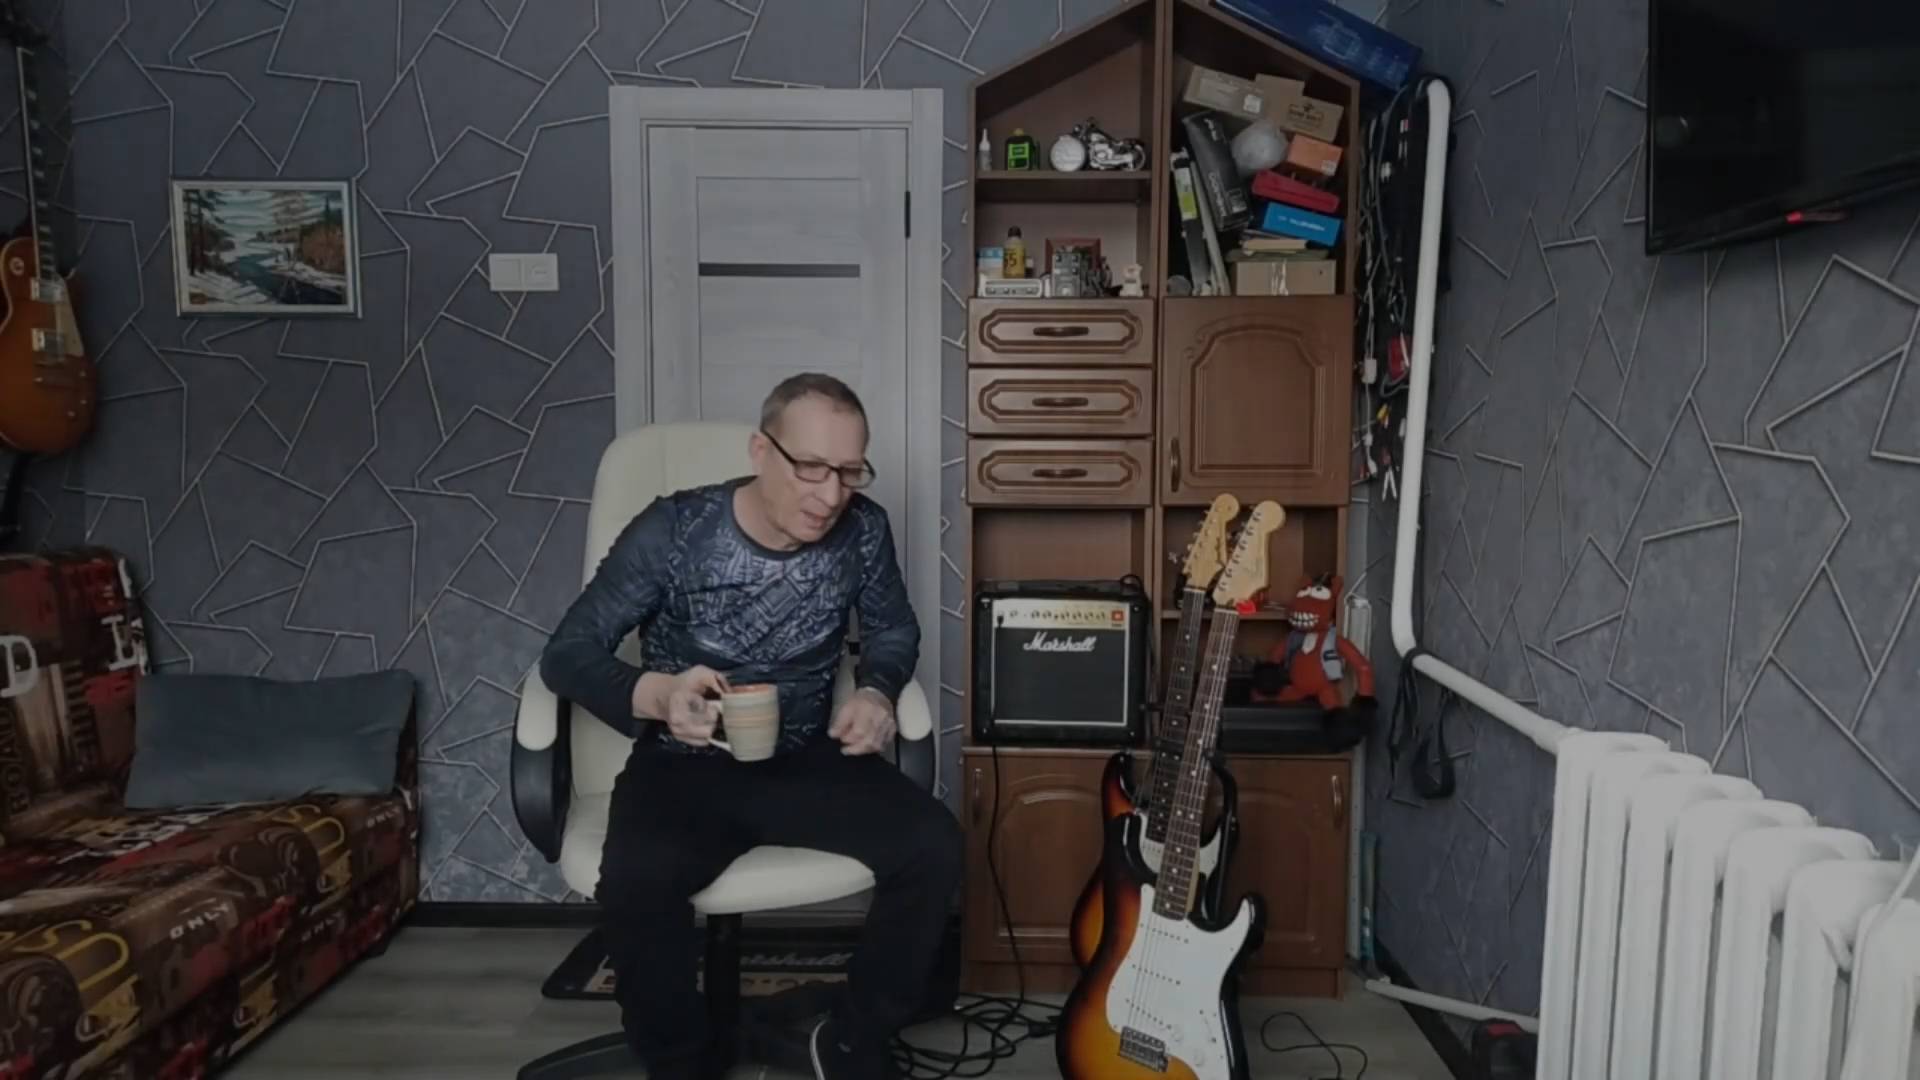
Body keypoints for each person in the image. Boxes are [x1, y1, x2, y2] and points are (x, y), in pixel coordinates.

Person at [540, 373, 960, 1080]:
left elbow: (892, 629)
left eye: (850, 472)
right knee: (638, 884)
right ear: (761, 451)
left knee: (934, 845)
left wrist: (877, 693)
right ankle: (682, 1062)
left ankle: (853, 1039)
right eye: (811, 468)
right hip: (683, 766)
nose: (832, 495)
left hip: (806, 758)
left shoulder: (864, 529)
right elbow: (567, 654)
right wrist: (656, 693)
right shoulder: (674, 530)